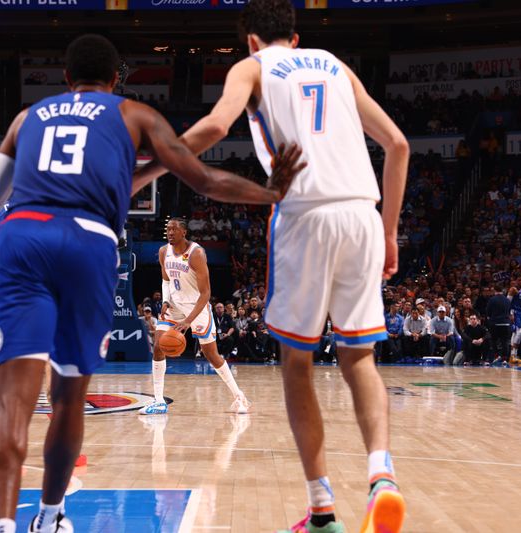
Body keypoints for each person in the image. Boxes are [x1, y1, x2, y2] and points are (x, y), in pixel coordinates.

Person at [0, 34, 301, 533]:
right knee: (67, 400)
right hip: (88, 243)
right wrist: (271, 191)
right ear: (117, 78)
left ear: (64, 80)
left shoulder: (26, 119)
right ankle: (51, 516)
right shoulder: (132, 115)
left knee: (12, 403)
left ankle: (2, 526)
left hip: (22, 240)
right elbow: (205, 181)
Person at [135, 2, 408, 530]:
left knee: (298, 363)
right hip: (362, 214)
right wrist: (391, 232)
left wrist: (147, 172)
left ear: (253, 42)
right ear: (298, 36)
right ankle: (383, 475)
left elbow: (216, 124)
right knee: (359, 358)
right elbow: (397, 144)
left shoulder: (253, 67)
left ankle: (323, 510)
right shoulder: (334, 63)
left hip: (304, 214)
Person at [140, 219, 251, 415]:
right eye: (168, 229)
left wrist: (189, 320)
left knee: (211, 355)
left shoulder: (196, 254)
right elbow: (166, 281)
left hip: (197, 307)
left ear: (184, 232)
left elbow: (206, 293)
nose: (170, 232)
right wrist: (166, 301)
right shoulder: (163, 252)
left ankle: (239, 396)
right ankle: (158, 401)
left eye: (174, 229)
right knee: (158, 346)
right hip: (174, 305)